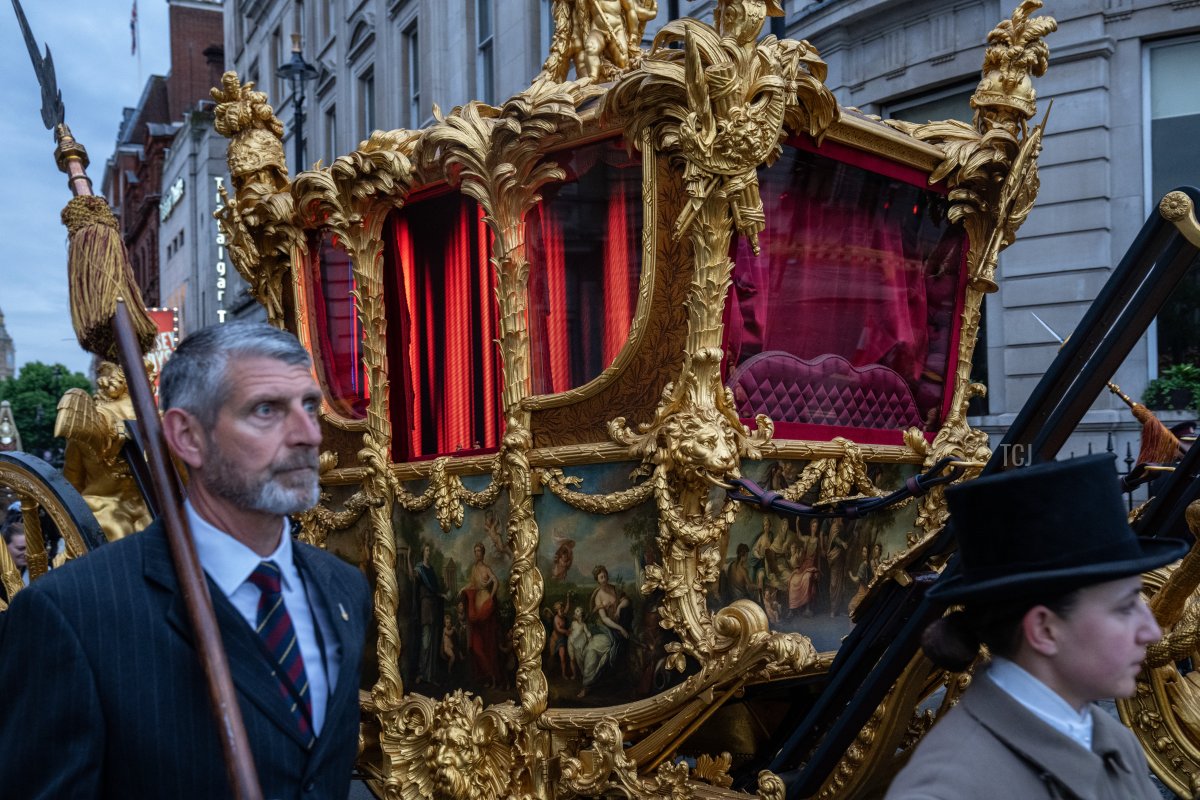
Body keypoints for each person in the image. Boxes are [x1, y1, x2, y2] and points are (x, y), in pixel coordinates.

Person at [0, 321, 372, 799]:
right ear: (187, 436)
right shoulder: (70, 615)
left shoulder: (343, 589)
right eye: (266, 410)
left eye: (309, 407)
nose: (307, 435)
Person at [885, 454, 1187, 800]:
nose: (1152, 631)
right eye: (1125, 608)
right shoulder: (946, 790)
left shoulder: (1110, 739)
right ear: (1044, 630)